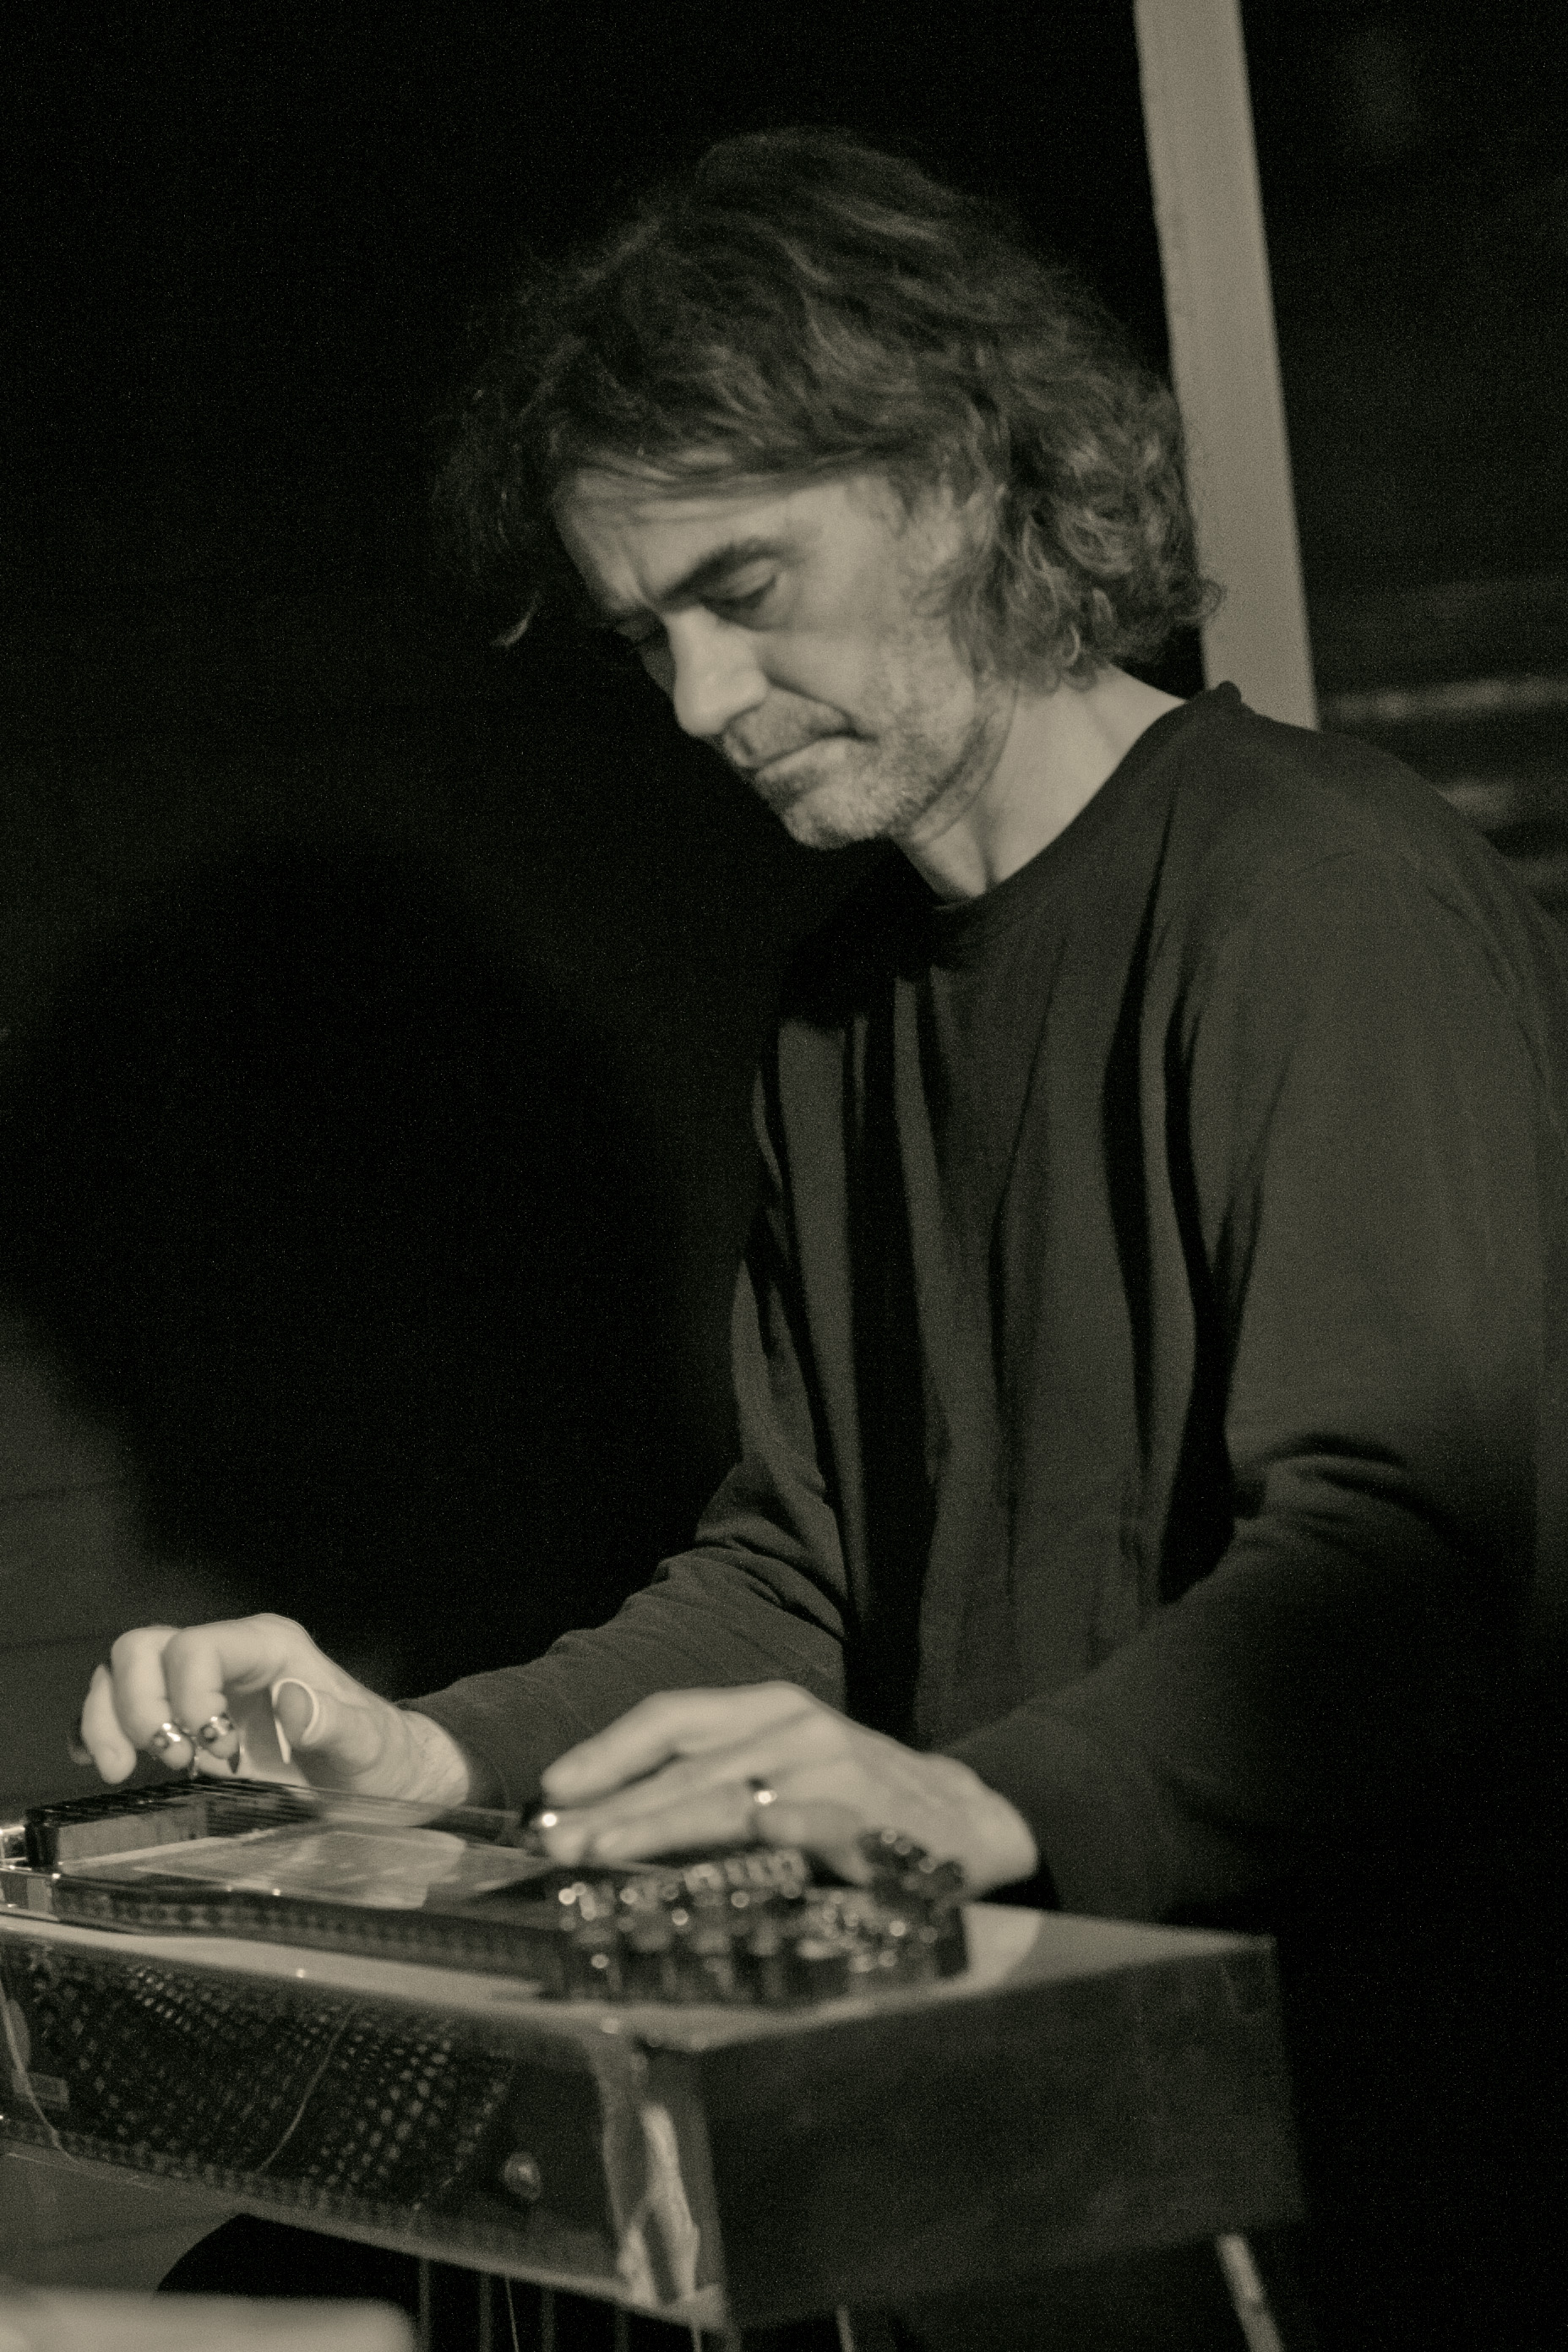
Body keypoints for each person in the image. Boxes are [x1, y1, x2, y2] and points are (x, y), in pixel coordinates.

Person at [77, 130, 1567, 2349]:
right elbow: (800, 1570)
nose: (698, 703)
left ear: (964, 477)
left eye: (745, 590)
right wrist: (433, 1760)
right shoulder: (845, 1010)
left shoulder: (1315, 897)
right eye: (646, 636)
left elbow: (1409, 1558)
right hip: (1027, 2165)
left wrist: (965, 1798)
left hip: (1370, 2166)